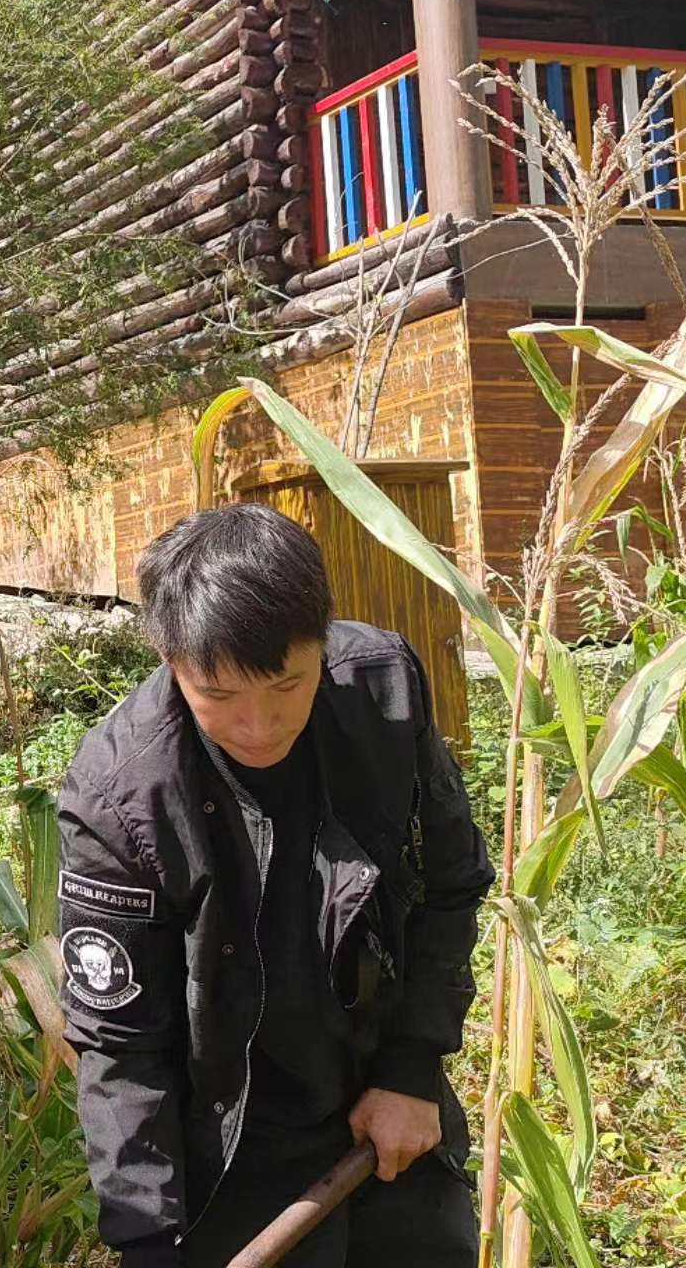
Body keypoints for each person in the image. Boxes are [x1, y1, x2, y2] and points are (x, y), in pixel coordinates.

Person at [56, 503, 495, 1267]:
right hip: (231, 1146)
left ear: (323, 643)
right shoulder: (119, 797)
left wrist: (410, 1070)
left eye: (287, 686)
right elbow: (123, 1049)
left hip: (382, 1110)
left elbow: (450, 886)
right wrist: (150, 1243)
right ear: (169, 659)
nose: (259, 727)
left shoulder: (381, 694)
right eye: (219, 697)